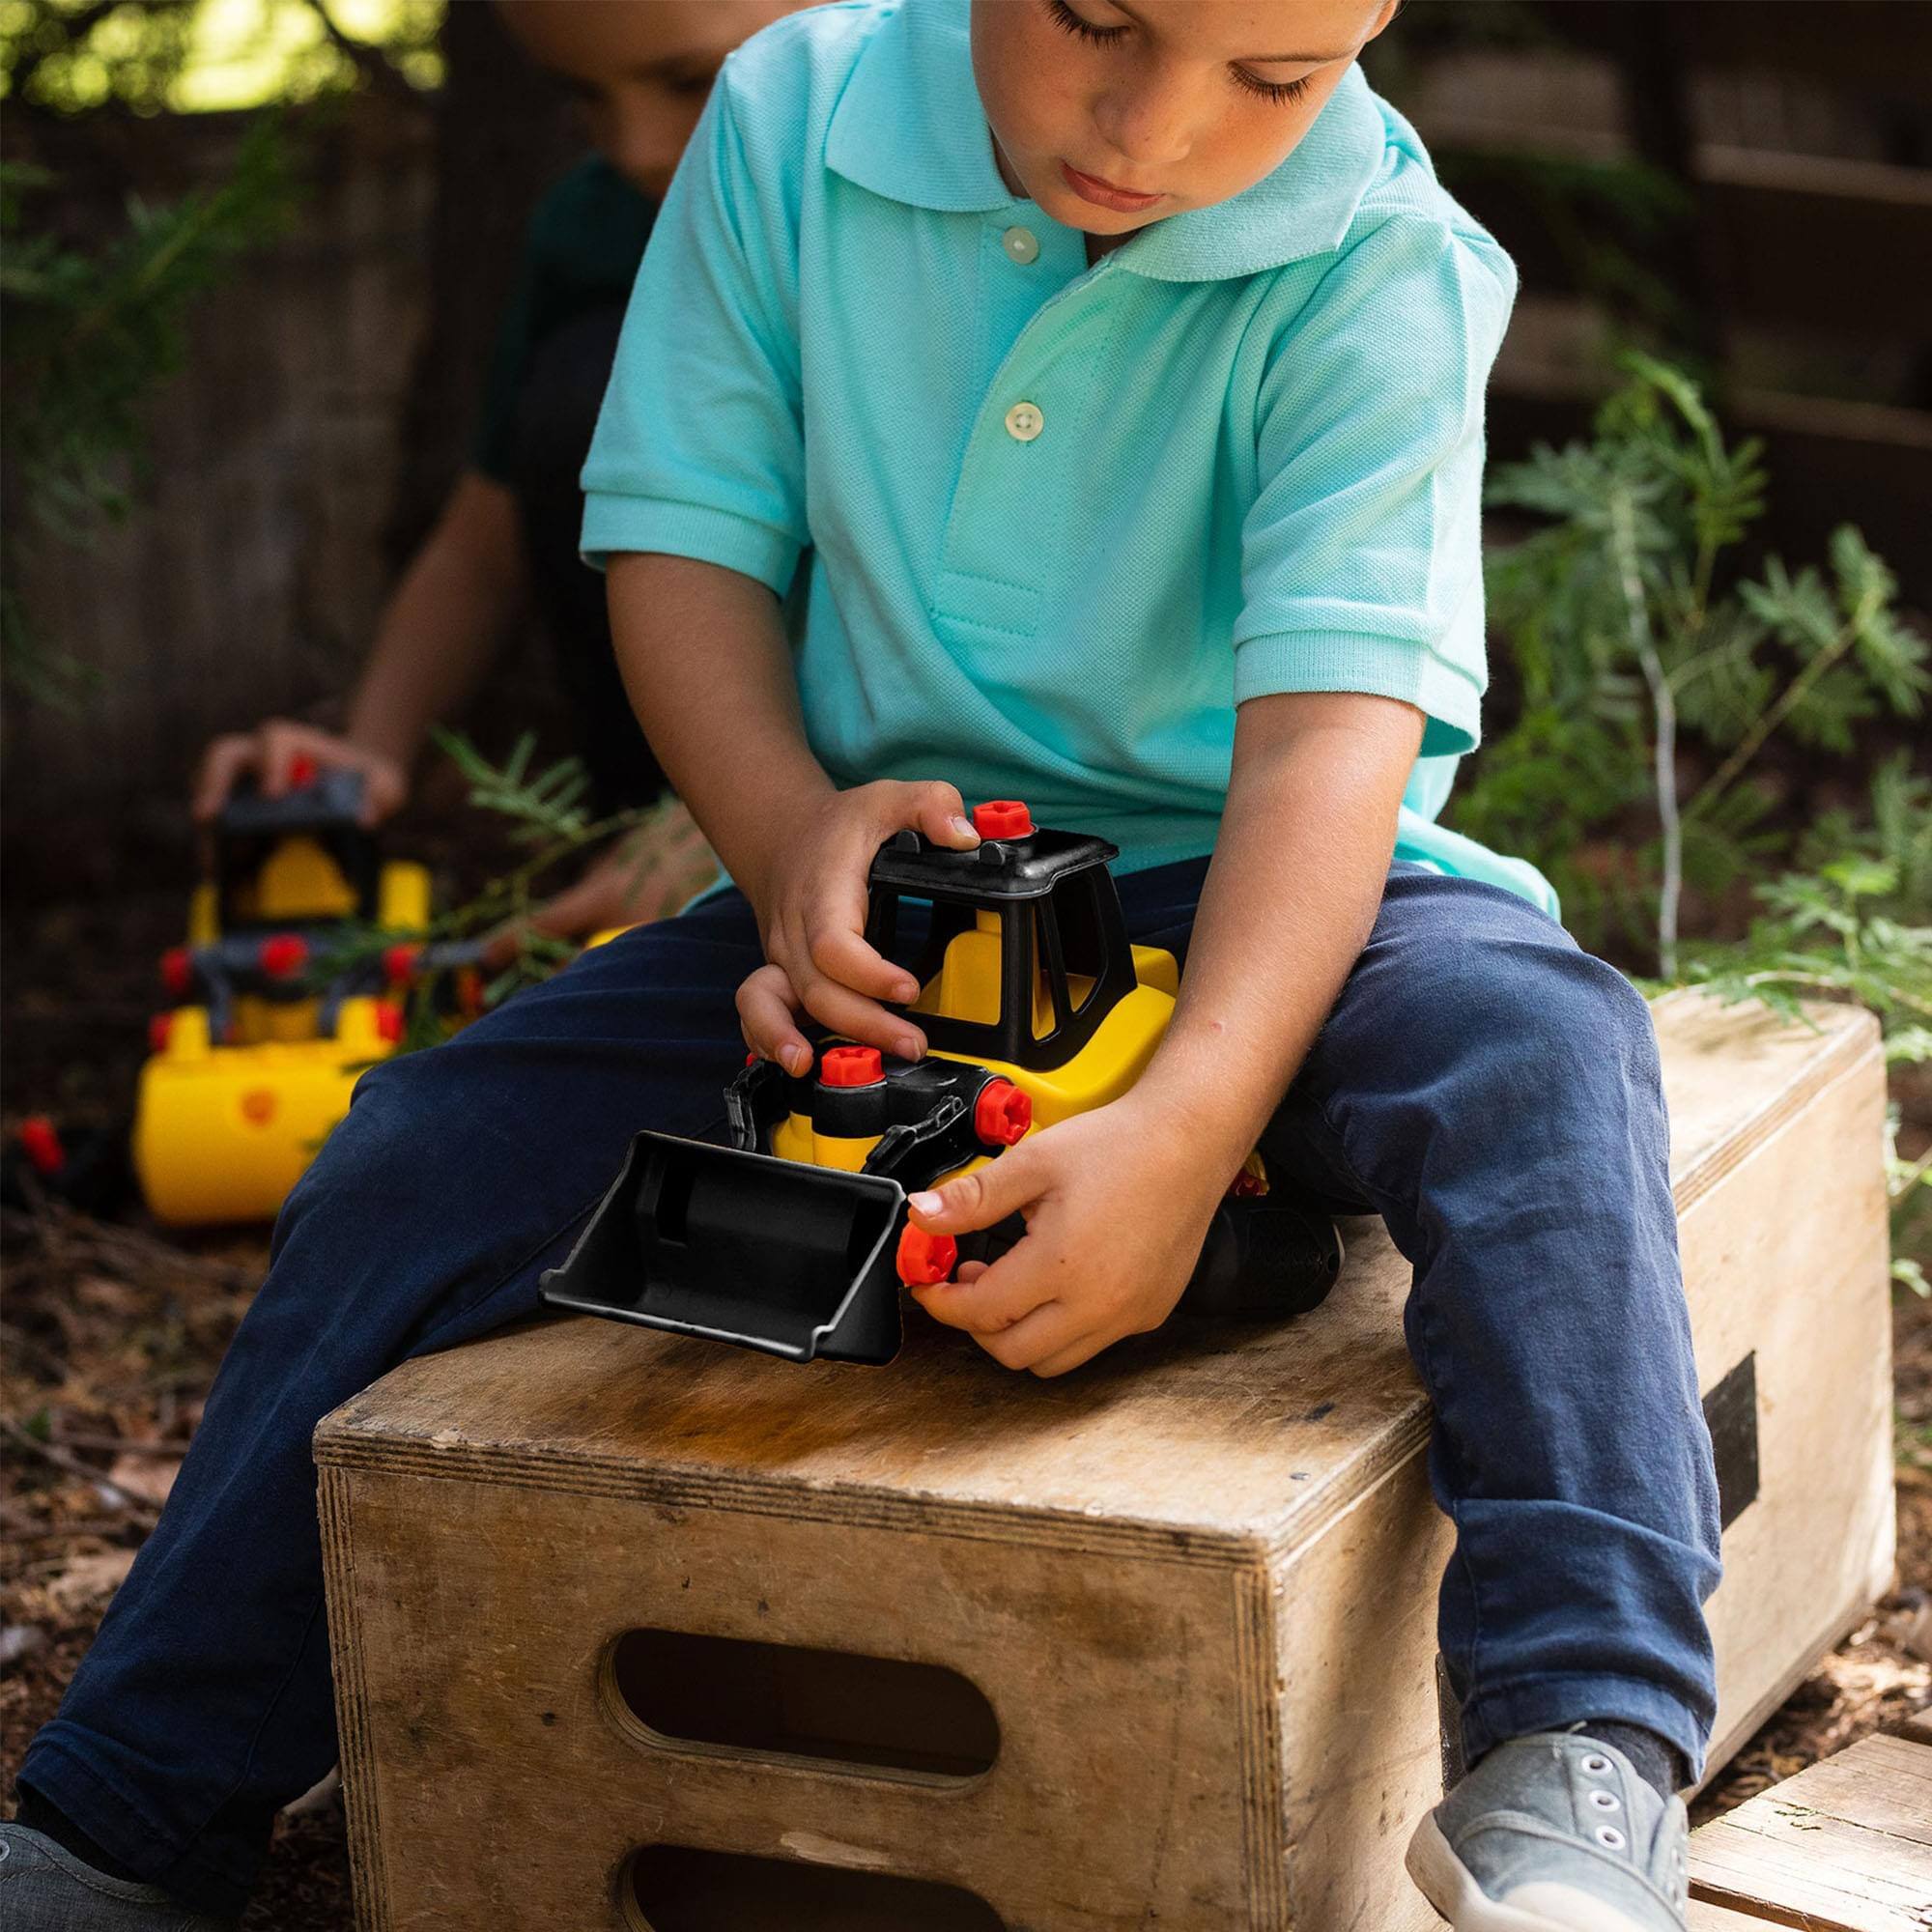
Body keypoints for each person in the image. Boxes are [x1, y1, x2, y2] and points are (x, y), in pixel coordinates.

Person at [5, 4, 1720, 1929]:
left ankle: (1581, 1754)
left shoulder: (1381, 267)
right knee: (424, 1139)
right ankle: (129, 1813)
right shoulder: (786, 120)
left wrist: (1186, 1122)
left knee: (1543, 1051)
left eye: (1273, 77)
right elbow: (681, 546)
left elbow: (1331, 749)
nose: (1148, 128)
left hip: (1267, 893)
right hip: (891, 890)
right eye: (1097, 19)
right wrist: (783, 834)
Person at [187, 1, 799, 955]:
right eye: (585, 103)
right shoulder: (593, 228)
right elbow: (486, 539)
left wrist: (762, 815)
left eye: (689, 83)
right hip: (676, 794)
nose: (635, 149)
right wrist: (366, 753)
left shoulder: (933, 231)